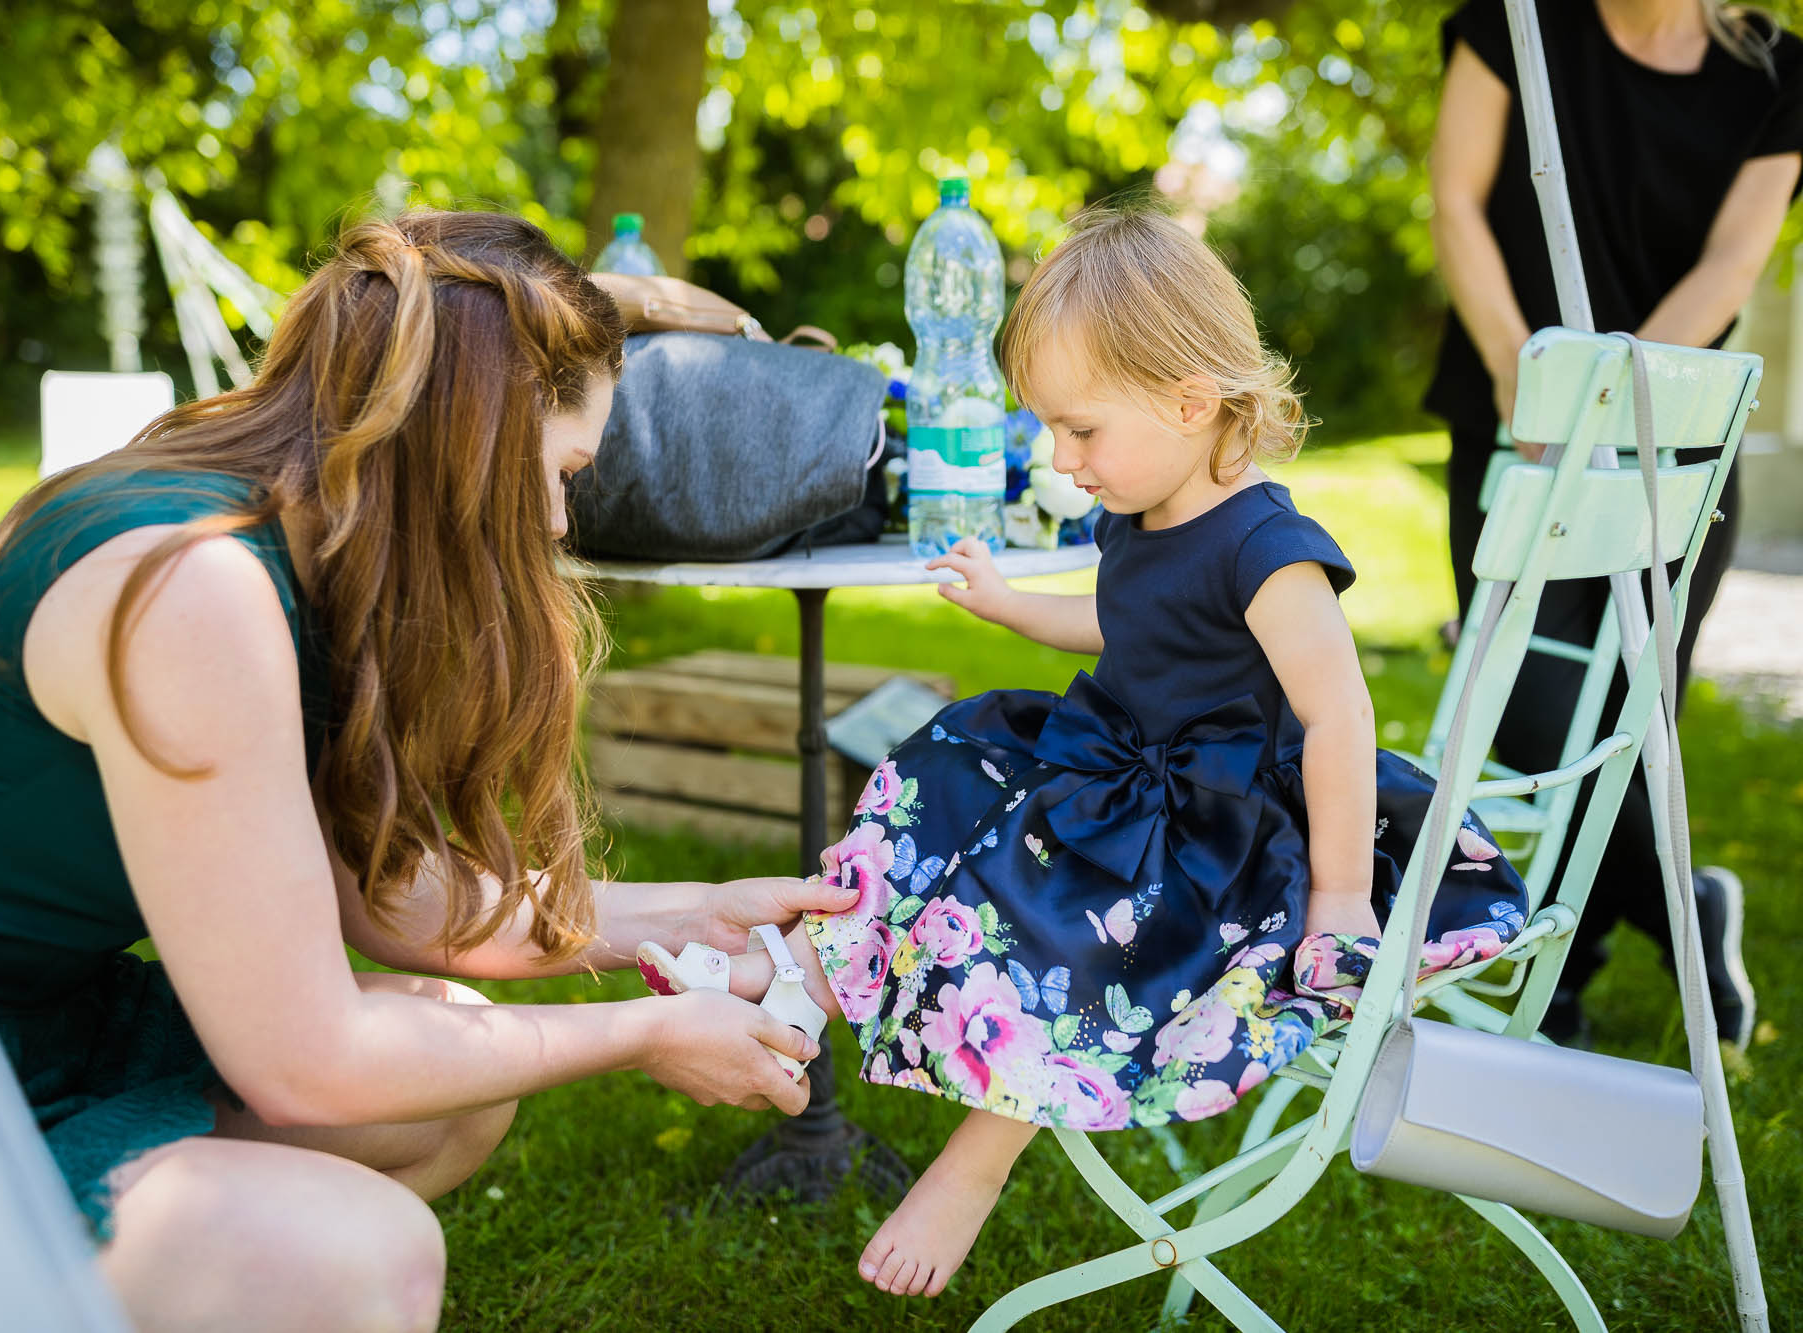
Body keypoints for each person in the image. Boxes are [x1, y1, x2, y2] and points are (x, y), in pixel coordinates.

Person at [0, 209, 856, 1333]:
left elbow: (392, 895)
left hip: (12, 1025)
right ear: (470, 433)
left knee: (449, 1090)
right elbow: (308, 1062)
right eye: (562, 469)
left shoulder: (293, 541)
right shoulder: (200, 589)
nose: (561, 519)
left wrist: (693, 914)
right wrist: (645, 1034)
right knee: (356, 1260)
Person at [635, 207, 1529, 1297]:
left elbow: (1339, 716)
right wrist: (1015, 608)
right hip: (1110, 761)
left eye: (1079, 430)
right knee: (944, 776)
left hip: (1214, 818)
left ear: (1188, 402)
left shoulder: (1268, 548)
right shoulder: (1138, 512)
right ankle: (798, 976)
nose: (1060, 459)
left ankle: (977, 1155)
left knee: (1057, 912)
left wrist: (1341, 897)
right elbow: (1130, 629)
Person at [1427, 0, 1803, 1047]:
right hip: (1513, 416)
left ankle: (1558, 980)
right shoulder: (1515, 26)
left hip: (1671, 445)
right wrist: (1525, 380)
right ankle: (1680, 903)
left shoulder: (1776, 72)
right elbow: (1453, 204)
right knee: (1524, 702)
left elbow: (1729, 268)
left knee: (1630, 718)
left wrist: (1604, 402)